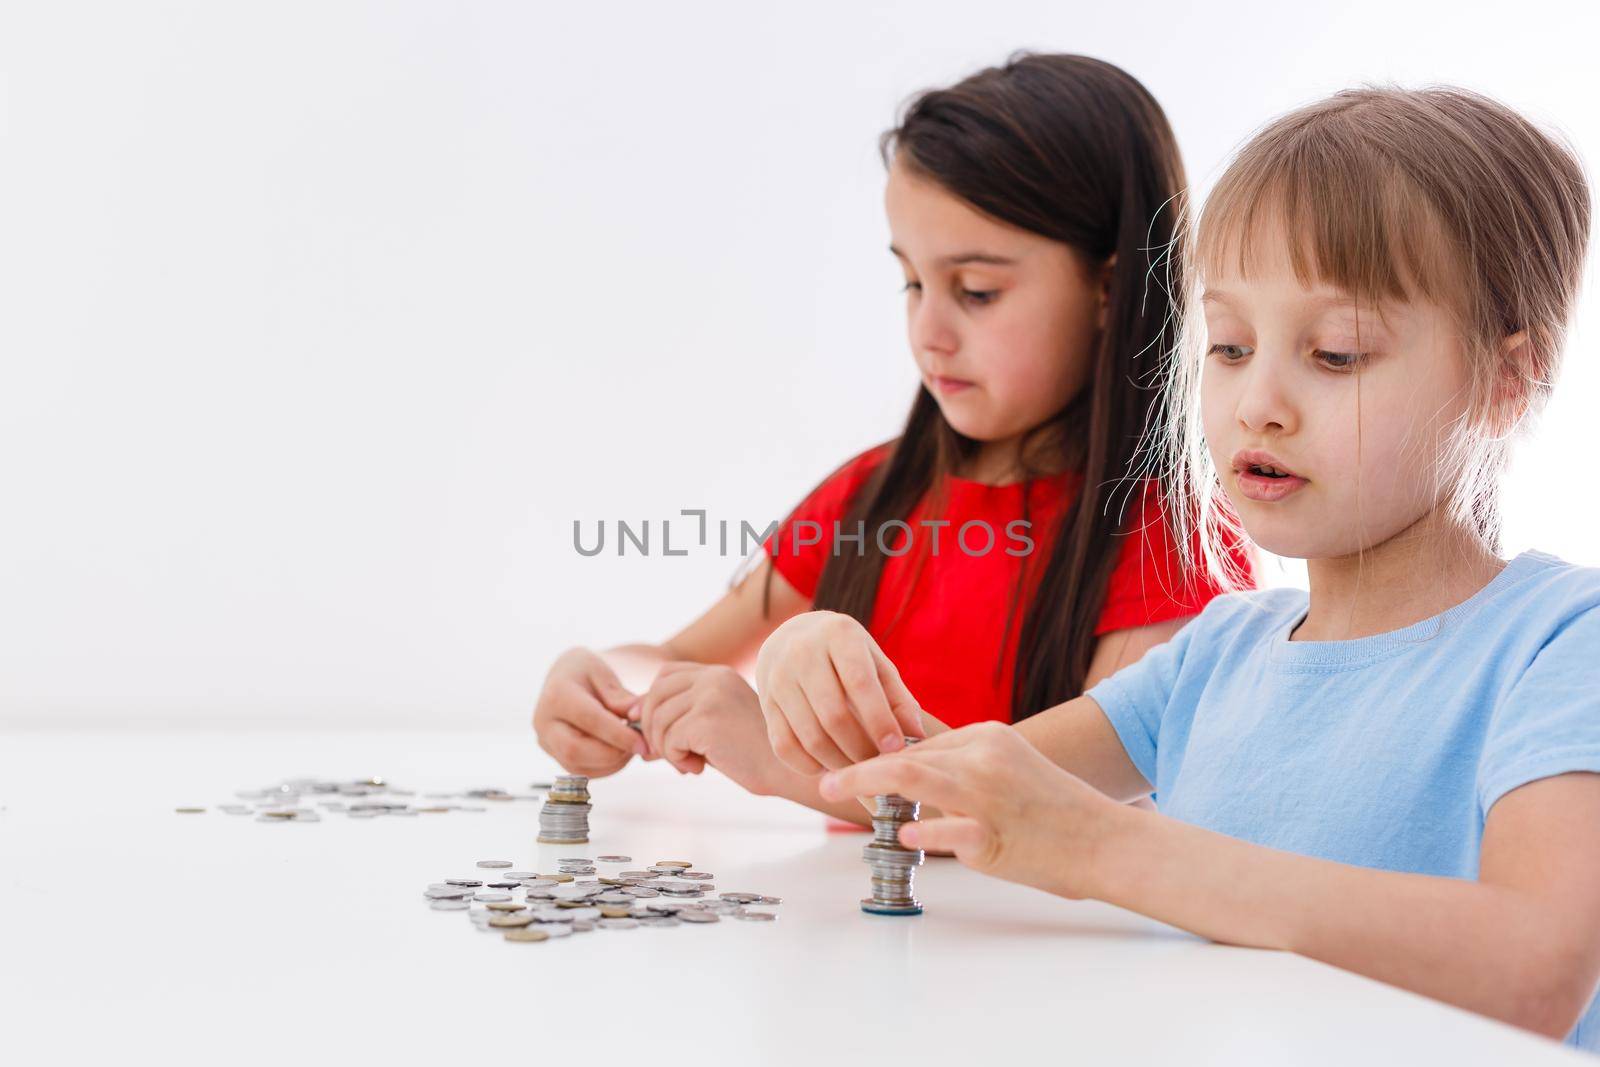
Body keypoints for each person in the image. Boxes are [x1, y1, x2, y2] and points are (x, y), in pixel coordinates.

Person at [768, 85, 1600, 1047]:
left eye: (1336, 354)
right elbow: (932, 797)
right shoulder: (1216, 655)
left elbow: (1536, 969)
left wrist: (1112, 847)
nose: (1259, 403)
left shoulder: (1559, 642)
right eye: (1231, 345)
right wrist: (809, 656)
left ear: (1506, 382)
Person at [535, 54, 1251, 823]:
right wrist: (601, 685)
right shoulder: (875, 494)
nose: (928, 333)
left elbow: (1065, 814)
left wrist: (779, 761)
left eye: (976, 291)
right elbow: (672, 663)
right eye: (911, 282)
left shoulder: (1170, 539)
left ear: (1110, 288)